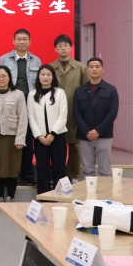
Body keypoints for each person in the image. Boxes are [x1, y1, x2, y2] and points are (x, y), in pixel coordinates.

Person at [0, 29, 42, 186]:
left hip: (29, 106)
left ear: (30, 42)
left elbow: (40, 84)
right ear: (13, 41)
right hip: (9, 106)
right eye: (19, 39)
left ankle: (27, 174)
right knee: (10, 142)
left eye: (25, 39)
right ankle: (11, 174)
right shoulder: (3, 59)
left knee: (28, 142)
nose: (22, 42)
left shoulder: (36, 61)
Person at [0, 66, 27, 211]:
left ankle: (11, 197)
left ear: (9, 77)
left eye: (4, 76)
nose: (1, 79)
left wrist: (20, 139)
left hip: (13, 137)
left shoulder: (18, 94)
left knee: (12, 166)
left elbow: (23, 118)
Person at [50, 34, 88, 183]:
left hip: (74, 111)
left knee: (74, 146)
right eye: (60, 46)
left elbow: (86, 90)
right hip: (55, 112)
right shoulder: (50, 67)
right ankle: (58, 175)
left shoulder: (80, 67)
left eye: (66, 45)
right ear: (55, 49)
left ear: (71, 47)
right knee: (56, 147)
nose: (63, 48)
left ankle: (73, 175)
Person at [73, 58, 119, 178]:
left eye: (97, 67)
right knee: (87, 171)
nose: (94, 69)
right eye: (91, 67)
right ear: (87, 70)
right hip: (85, 137)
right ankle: (89, 192)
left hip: (104, 136)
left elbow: (112, 113)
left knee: (105, 171)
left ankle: (106, 192)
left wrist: (98, 131)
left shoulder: (111, 90)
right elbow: (76, 113)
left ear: (102, 69)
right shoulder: (79, 91)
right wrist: (86, 131)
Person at [27, 65, 68, 195]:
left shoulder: (59, 93)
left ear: (53, 77)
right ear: (38, 76)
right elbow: (31, 117)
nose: (45, 77)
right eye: (42, 74)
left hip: (58, 136)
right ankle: (44, 197)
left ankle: (60, 197)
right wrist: (39, 136)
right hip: (40, 139)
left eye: (48, 75)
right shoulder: (32, 94)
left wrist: (52, 134)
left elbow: (63, 115)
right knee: (42, 168)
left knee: (59, 168)